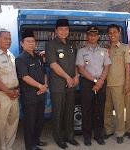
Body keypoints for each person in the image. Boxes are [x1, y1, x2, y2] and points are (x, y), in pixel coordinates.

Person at [45, 19, 80, 149]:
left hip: (71, 84)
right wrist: (67, 77)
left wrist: (76, 76)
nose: (64, 31)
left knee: (70, 111)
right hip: (58, 85)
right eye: (61, 29)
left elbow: (76, 63)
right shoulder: (51, 45)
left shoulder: (72, 44)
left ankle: (69, 137)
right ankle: (59, 139)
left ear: (68, 30)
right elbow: (53, 65)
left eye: (66, 29)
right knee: (58, 113)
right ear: (56, 30)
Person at [76, 25, 111, 146]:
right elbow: (81, 69)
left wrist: (100, 81)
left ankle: (98, 135)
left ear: (98, 36)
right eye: (90, 35)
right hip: (87, 83)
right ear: (87, 36)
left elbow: (106, 67)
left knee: (99, 110)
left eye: (95, 35)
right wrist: (96, 81)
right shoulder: (81, 51)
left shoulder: (103, 51)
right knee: (86, 110)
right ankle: (87, 136)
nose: (93, 37)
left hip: (101, 82)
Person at [15, 30, 48, 150]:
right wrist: (40, 87)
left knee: (40, 120)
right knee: (29, 122)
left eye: (33, 41)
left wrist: (44, 86)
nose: (31, 44)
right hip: (29, 96)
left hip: (40, 94)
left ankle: (37, 140)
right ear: (22, 43)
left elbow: (44, 73)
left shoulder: (38, 57)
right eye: (28, 41)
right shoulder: (20, 59)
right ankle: (30, 146)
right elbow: (25, 77)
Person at [103, 24, 130, 144]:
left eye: (115, 32)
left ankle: (120, 132)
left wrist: (127, 83)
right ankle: (108, 130)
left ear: (119, 33)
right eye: (110, 33)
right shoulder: (105, 48)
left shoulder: (125, 48)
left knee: (119, 110)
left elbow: (127, 67)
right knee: (106, 109)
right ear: (107, 35)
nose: (112, 35)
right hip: (106, 83)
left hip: (119, 84)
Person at [0, 28, 20, 150]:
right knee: (0, 125)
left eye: (10, 38)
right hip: (2, 95)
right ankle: (1, 148)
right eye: (5, 38)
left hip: (13, 94)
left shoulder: (11, 55)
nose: (9, 41)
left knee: (12, 123)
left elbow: (14, 75)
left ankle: (8, 147)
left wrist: (16, 89)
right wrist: (7, 92)